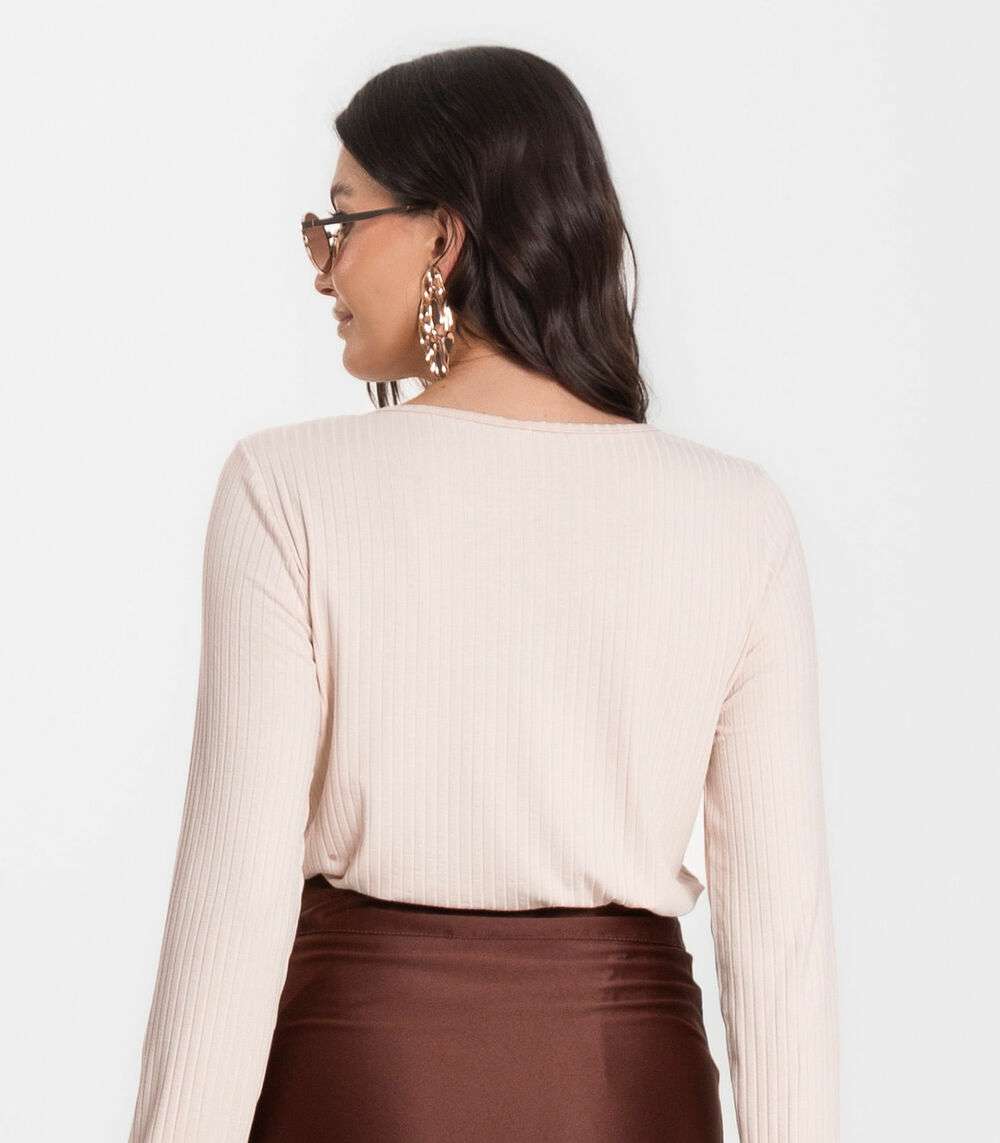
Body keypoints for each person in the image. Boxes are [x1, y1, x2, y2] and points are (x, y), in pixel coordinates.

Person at [127, 45, 839, 1143]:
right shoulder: (738, 516)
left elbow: (233, 907)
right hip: (622, 1095)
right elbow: (780, 948)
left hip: (363, 1088)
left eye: (341, 220)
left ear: (444, 238)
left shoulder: (287, 487)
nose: (320, 267)